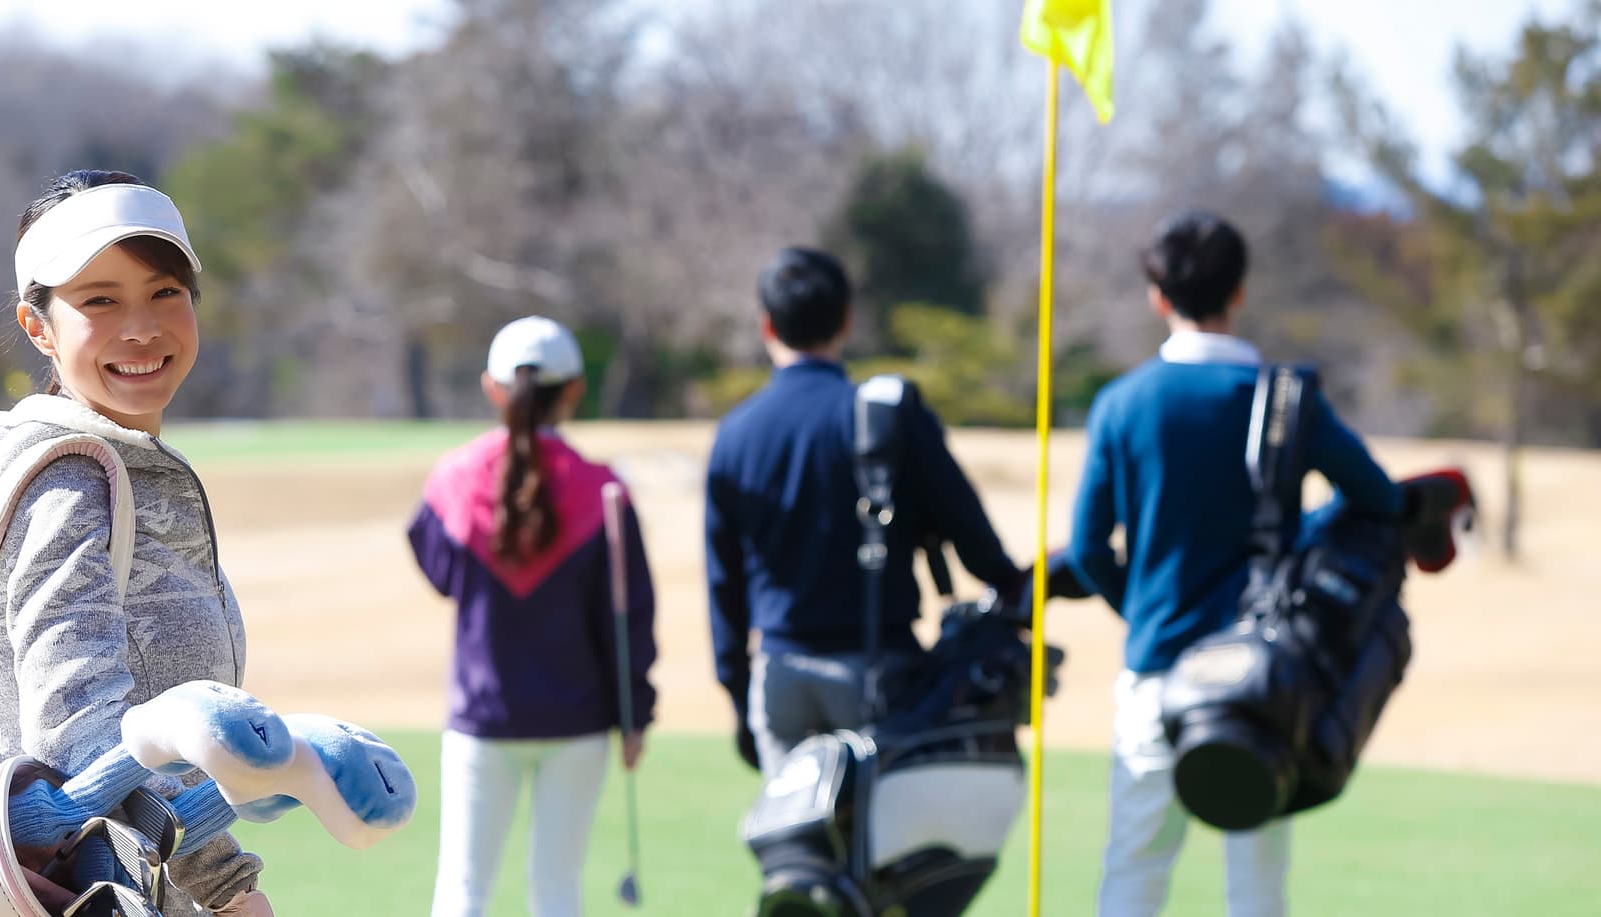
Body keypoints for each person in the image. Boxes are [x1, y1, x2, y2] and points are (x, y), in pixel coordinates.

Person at [0, 169, 272, 916]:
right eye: (100, 301)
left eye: (165, 292)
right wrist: (227, 889)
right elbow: (81, 728)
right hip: (107, 892)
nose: (142, 327)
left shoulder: (118, 463)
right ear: (39, 327)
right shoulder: (68, 479)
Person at [1067, 210, 1402, 917]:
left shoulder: (1122, 405)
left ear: (1158, 296)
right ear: (1240, 292)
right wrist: (1307, 531)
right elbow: (1375, 497)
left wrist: (1145, 608)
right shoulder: (1286, 400)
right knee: (1256, 883)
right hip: (1263, 677)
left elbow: (1092, 548)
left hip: (1156, 668)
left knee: (1134, 867)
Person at [704, 247, 1028, 779]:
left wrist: (738, 689)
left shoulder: (734, 434)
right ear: (847, 320)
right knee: (882, 849)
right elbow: (968, 532)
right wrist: (1012, 582)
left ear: (767, 326)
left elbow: (724, 583)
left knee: (798, 848)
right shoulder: (886, 416)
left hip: (780, 671)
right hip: (879, 669)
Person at [409, 316, 658, 917]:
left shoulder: (454, 478)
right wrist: (636, 716)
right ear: (573, 391)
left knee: (463, 890)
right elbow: (628, 622)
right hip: (578, 722)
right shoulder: (605, 491)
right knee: (556, 892)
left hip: (482, 717)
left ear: (493, 390)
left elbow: (440, 573)